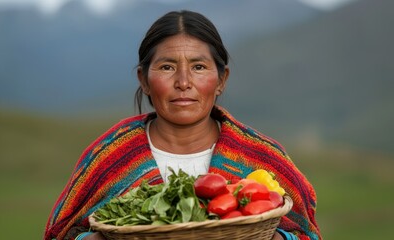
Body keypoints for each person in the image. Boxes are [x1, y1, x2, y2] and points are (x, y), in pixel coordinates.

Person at [44, 10, 321, 240]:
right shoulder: (110, 158)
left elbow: (306, 234)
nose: (184, 82)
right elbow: (63, 234)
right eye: (167, 67)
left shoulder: (262, 158)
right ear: (143, 80)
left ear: (222, 79)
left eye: (199, 67)